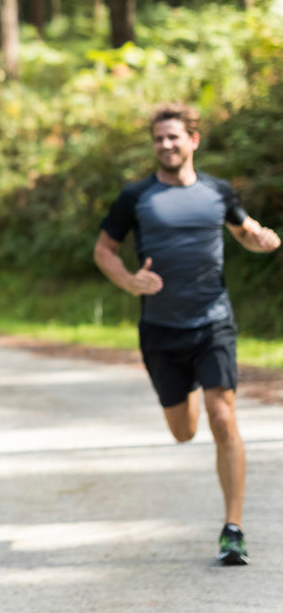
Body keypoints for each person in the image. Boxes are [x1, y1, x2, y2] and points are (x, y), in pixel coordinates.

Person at [93, 102, 279, 566]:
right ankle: (189, 392)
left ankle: (232, 529)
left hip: (213, 320)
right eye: (158, 138)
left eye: (174, 137)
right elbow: (104, 250)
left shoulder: (218, 191)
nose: (166, 145)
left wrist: (260, 237)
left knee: (223, 417)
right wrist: (129, 280)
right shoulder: (136, 197)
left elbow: (243, 228)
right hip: (160, 329)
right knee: (183, 431)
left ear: (193, 140)